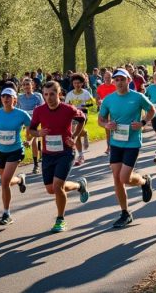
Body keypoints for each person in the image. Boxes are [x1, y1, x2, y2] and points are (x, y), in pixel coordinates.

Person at [28, 81, 90, 233]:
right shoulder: (39, 110)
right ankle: (79, 186)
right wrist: (38, 133)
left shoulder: (68, 109)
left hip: (65, 152)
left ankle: (60, 219)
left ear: (59, 94)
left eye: (52, 94)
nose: (49, 98)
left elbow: (82, 119)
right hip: (48, 154)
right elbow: (31, 129)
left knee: (57, 186)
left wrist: (74, 137)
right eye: (46, 94)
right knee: (51, 189)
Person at [98, 68, 155, 228]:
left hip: (132, 143)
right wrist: (106, 124)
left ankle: (144, 182)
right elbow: (100, 119)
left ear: (128, 80)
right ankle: (125, 213)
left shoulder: (137, 97)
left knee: (124, 178)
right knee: (117, 178)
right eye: (117, 80)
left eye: (122, 79)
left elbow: (152, 110)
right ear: (113, 82)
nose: (119, 82)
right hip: (116, 143)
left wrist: (143, 123)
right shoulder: (109, 100)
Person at [0, 88, 31, 226]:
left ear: (15, 99)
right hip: (1, 151)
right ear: (1, 99)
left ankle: (6, 213)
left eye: (9, 96)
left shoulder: (22, 114)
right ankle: (19, 180)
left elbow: (31, 129)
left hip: (16, 150)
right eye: (3, 96)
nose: (6, 99)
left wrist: (29, 140)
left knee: (4, 182)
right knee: (5, 182)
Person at [64, 73, 96, 166]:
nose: (77, 85)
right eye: (75, 83)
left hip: (83, 115)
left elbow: (91, 105)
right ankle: (84, 135)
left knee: (75, 132)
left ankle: (80, 156)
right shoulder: (70, 94)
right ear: (72, 84)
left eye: (79, 83)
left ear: (82, 83)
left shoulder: (85, 93)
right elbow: (66, 106)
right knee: (76, 132)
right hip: (73, 116)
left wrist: (83, 106)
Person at [16, 78, 44, 174]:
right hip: (25, 122)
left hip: (36, 120)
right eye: (24, 85)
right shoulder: (20, 97)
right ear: (22, 87)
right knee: (32, 140)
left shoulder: (38, 96)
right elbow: (17, 109)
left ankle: (36, 165)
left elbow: (42, 108)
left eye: (28, 84)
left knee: (33, 141)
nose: (26, 87)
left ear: (32, 85)